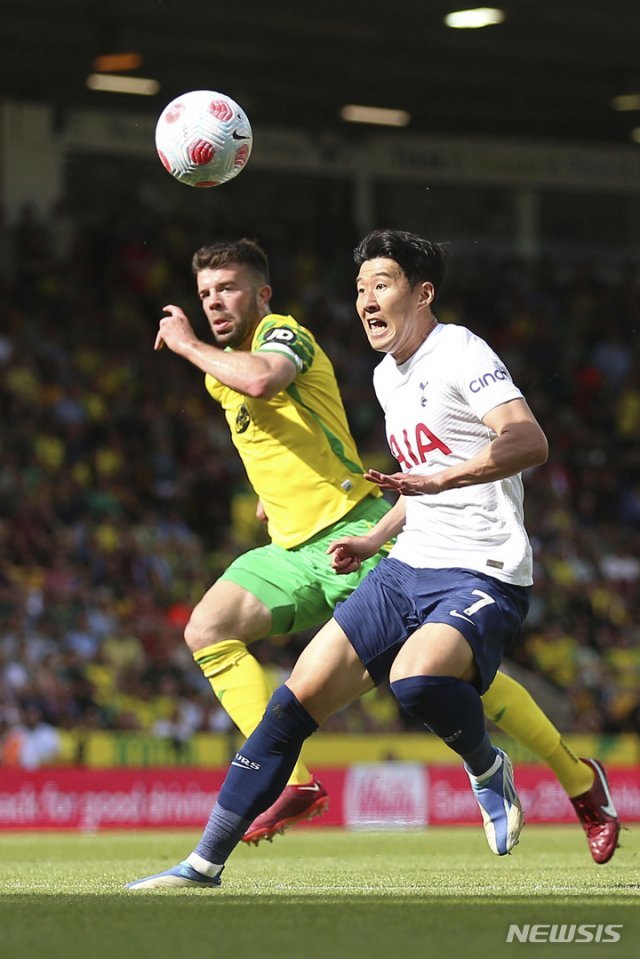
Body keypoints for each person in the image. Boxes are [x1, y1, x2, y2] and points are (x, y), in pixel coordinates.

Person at [127, 229, 619, 889]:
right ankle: (218, 849)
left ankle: (548, 776)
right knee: (256, 669)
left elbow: (525, 441)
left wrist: (186, 344)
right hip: (341, 550)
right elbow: (382, 467)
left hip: (438, 552)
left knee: (428, 678)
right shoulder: (385, 376)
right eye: (360, 288)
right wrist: (330, 517)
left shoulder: (390, 343)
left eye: (380, 285)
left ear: (422, 293)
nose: (365, 300)